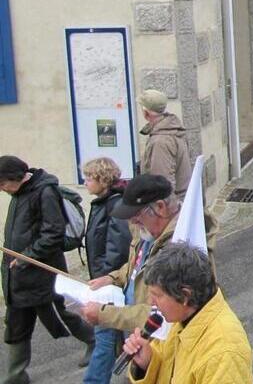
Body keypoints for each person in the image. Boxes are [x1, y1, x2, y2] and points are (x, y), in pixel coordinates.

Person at [81, 174, 217, 346]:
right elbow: (136, 265)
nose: (133, 222)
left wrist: (104, 315)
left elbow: (160, 312)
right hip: (144, 337)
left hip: (164, 343)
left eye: (137, 216)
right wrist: (113, 278)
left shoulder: (182, 247)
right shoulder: (148, 231)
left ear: (160, 207)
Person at [0, 156, 95, 382]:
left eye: (2, 183)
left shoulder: (44, 192)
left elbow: (53, 233)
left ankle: (95, 342)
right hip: (18, 274)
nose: (1, 189)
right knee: (17, 323)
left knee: (59, 314)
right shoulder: (18, 193)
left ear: (15, 178)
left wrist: (26, 257)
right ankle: (15, 376)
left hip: (42, 270)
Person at [121, 243, 253, 383]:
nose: (151, 301)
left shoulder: (223, 353)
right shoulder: (184, 318)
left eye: (157, 295)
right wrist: (148, 364)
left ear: (185, 295)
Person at [82, 157, 132, 384]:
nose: (85, 183)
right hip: (104, 279)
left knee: (105, 335)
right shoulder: (103, 203)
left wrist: (106, 277)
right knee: (112, 335)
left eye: (89, 178)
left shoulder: (114, 204)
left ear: (102, 180)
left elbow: (117, 247)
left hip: (109, 282)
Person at [137, 89, 191, 201]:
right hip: (181, 201)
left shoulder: (160, 141)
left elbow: (162, 184)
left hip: (171, 208)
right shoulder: (173, 129)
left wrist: (165, 212)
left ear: (146, 113)